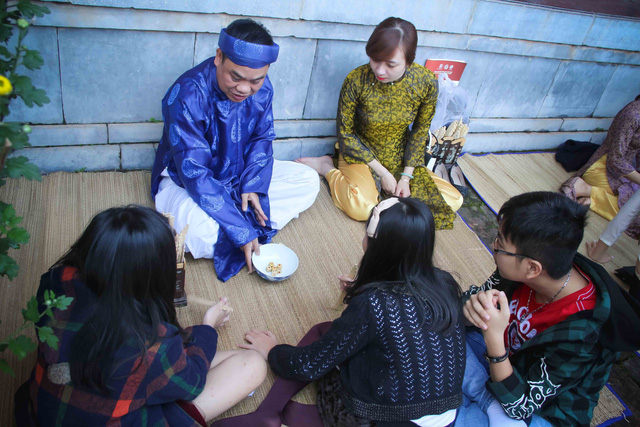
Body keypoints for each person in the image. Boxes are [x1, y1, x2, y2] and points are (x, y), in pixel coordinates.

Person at [212, 197, 465, 427]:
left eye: (367, 234)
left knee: (324, 340)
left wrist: (272, 351)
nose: (362, 239)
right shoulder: (445, 283)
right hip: (444, 415)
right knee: (337, 334)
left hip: (386, 418)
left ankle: (276, 413)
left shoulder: (373, 304)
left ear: (380, 249)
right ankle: (284, 414)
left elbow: (309, 364)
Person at [19, 206, 267, 426]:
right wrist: (208, 326)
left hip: (41, 411)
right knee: (252, 363)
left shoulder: (56, 281)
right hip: (118, 413)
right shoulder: (152, 343)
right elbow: (191, 381)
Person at [151, 18, 320, 282]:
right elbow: (193, 173)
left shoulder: (262, 90)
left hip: (239, 175)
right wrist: (240, 228)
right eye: (236, 77)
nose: (244, 88)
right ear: (219, 57)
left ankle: (241, 216)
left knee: (308, 180)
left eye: (256, 80)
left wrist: (253, 183)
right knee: (201, 235)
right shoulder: (187, 94)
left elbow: (262, 139)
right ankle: (244, 225)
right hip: (184, 182)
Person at [459, 192, 640, 426]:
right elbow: (463, 310)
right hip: (501, 363)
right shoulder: (522, 270)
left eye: (500, 245)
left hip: (543, 410)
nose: (494, 247)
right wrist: (470, 307)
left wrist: (495, 341)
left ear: (532, 268)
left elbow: (520, 405)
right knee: (430, 326)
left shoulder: (583, 331)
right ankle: (475, 401)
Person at [296, 17, 461, 227]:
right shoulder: (356, 80)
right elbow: (346, 134)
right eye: (375, 59)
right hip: (361, 153)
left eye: (391, 64)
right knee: (362, 208)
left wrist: (405, 177)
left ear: (409, 61)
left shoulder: (426, 82)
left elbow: (420, 131)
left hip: (399, 155)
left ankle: (389, 198)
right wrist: (382, 173)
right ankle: (327, 167)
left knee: (453, 201)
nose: (380, 70)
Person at [560, 95, 640, 239]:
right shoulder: (633, 115)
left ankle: (593, 198)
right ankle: (583, 187)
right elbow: (615, 159)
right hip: (604, 168)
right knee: (633, 213)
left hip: (622, 175)